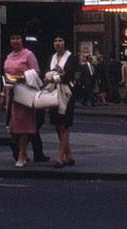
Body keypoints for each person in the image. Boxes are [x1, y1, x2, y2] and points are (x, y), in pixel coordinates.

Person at [1, 32, 40, 167]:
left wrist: (20, 78)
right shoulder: (9, 56)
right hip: (10, 93)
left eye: (17, 38)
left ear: (22, 40)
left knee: (23, 126)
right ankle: (22, 153)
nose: (15, 41)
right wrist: (2, 95)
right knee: (13, 126)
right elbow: (5, 76)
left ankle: (21, 154)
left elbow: (36, 72)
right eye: (12, 38)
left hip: (24, 93)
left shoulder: (28, 55)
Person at [46, 35, 76, 167]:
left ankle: (60, 156)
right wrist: (56, 75)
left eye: (60, 40)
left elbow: (68, 76)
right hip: (53, 92)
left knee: (64, 125)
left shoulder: (71, 58)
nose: (57, 43)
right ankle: (69, 155)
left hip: (66, 93)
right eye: (55, 41)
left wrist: (53, 77)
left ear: (65, 43)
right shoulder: (52, 57)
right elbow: (47, 74)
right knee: (58, 125)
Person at [21, 22, 50, 162]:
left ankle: (34, 151)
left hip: (21, 87)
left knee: (29, 120)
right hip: (37, 88)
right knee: (37, 120)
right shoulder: (42, 48)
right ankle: (22, 148)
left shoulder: (21, 48)